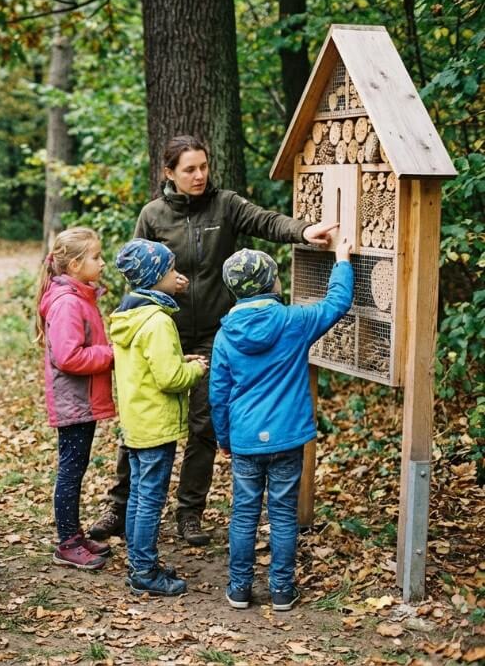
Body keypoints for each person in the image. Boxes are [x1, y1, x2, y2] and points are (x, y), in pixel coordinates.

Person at [89, 135, 337, 546]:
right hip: (161, 333)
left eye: (203, 166)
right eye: (189, 169)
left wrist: (304, 230)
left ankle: (190, 513)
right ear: (169, 173)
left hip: (211, 336)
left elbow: (267, 221)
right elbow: (136, 272)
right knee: (143, 425)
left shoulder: (226, 205)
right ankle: (119, 505)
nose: (200, 175)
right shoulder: (153, 215)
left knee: (203, 424)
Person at [211, 241, 354, 611]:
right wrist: (341, 260)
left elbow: (218, 394)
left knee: (244, 514)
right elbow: (337, 305)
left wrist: (224, 438)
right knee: (283, 514)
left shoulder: (226, 335)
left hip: (244, 439)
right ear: (272, 283)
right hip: (288, 437)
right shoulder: (294, 321)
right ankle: (281, 591)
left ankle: (240, 589)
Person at [110, 239, 207, 596]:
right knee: (150, 500)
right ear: (154, 278)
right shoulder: (157, 322)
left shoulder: (129, 315)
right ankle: (144, 572)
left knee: (138, 496)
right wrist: (194, 370)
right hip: (156, 425)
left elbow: (150, 369)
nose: (176, 275)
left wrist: (181, 363)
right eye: (169, 271)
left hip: (137, 421)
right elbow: (169, 379)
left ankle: (140, 562)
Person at [35, 227, 116, 570]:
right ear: (74, 265)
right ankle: (66, 542)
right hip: (74, 401)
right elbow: (68, 357)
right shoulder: (68, 302)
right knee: (71, 470)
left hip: (82, 399)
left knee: (77, 466)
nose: (102, 262)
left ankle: (75, 533)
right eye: (96, 257)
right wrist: (111, 354)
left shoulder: (81, 296)